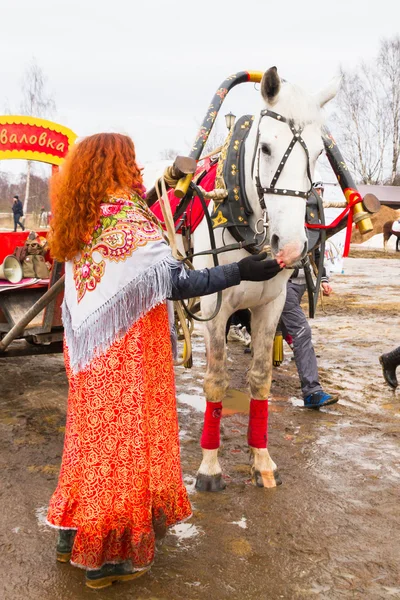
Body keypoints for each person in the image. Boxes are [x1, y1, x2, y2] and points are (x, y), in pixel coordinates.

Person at [46, 133, 283, 590]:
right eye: (129, 160)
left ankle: (71, 534)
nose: (136, 169)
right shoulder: (130, 222)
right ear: (117, 164)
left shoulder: (82, 219)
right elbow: (177, 282)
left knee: (89, 446)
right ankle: (108, 558)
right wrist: (241, 271)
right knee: (122, 449)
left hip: (90, 359)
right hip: (129, 356)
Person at [281, 181, 337, 409]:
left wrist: (323, 279)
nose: (317, 198)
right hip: (283, 285)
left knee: (283, 329)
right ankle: (312, 391)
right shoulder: (285, 215)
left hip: (300, 285)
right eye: (315, 192)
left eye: (320, 193)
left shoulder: (313, 223)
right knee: (302, 332)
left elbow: (316, 251)